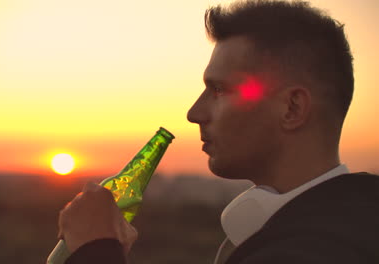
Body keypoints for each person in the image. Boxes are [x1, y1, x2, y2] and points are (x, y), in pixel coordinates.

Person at [57, 1, 379, 263]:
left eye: (220, 90)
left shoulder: (313, 252)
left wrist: (95, 251)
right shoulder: (349, 227)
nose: (193, 113)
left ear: (291, 108)